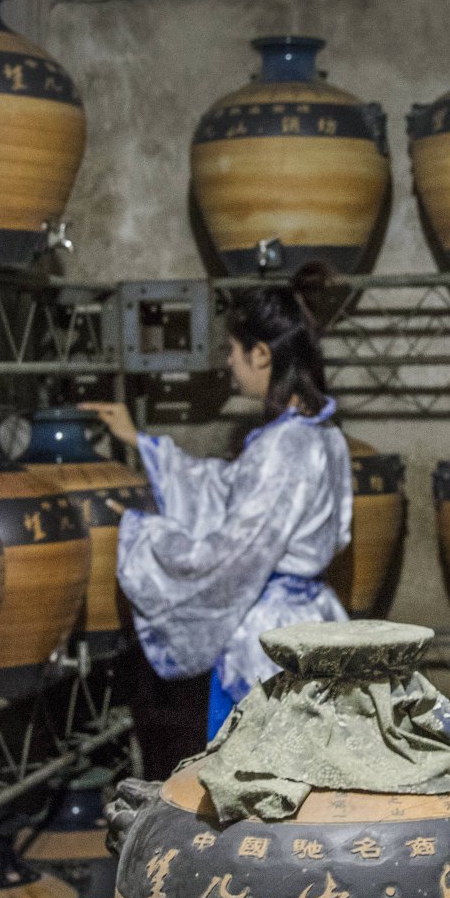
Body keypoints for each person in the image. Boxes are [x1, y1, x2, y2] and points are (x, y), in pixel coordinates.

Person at [84, 262, 355, 739]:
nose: (228, 361)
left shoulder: (283, 448)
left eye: (233, 350)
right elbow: (229, 489)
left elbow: (230, 554)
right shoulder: (322, 433)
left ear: (262, 354)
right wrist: (147, 446)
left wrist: (146, 535)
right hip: (317, 625)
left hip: (273, 647)